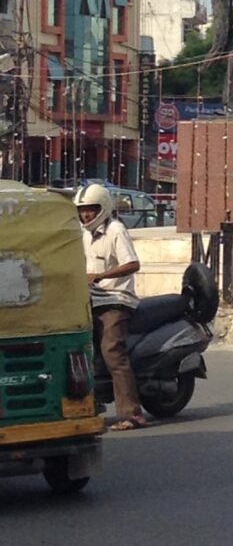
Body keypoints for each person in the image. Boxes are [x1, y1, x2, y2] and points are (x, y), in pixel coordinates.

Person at [73, 182, 147, 431]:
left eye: (91, 209)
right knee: (81, 350)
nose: (86, 215)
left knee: (112, 352)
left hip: (116, 299)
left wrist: (102, 275)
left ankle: (132, 414)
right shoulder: (83, 234)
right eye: (82, 210)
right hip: (91, 298)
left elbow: (133, 264)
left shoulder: (116, 230)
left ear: (102, 208)